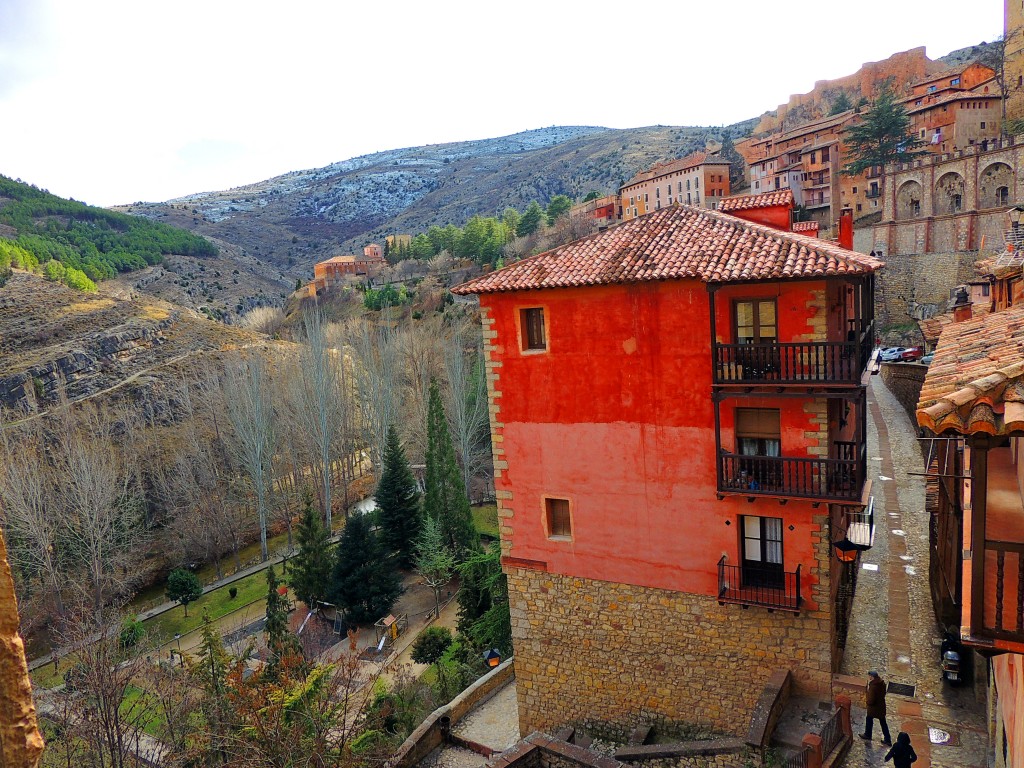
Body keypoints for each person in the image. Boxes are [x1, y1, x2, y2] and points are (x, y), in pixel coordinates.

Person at [861, 670, 892, 745]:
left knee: (869, 719)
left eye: (869, 676)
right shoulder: (882, 683)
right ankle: (887, 739)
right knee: (883, 722)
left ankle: (868, 734)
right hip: (881, 706)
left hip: (874, 708)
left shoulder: (873, 686)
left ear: (872, 677)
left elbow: (871, 700)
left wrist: (867, 702)